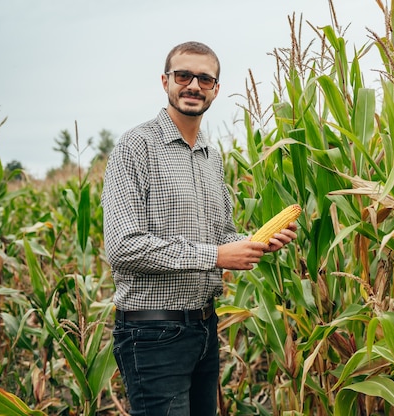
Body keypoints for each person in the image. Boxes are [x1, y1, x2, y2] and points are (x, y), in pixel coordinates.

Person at [101, 41, 297, 416]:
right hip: (153, 335)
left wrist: (257, 242)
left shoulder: (211, 155)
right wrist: (217, 256)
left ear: (216, 89)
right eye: (183, 75)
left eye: (204, 79)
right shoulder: (135, 146)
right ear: (165, 81)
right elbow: (124, 246)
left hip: (204, 328)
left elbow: (220, 234)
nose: (193, 85)